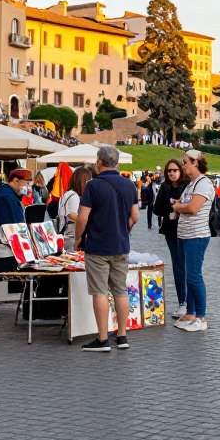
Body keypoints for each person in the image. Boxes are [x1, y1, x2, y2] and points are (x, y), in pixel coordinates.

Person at [76, 145, 141, 352]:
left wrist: (78, 238)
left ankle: (102, 339)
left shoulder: (93, 186)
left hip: (98, 246)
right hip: (121, 245)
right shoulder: (129, 185)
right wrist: (124, 228)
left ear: (99, 162)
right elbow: (135, 216)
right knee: (120, 291)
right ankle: (122, 336)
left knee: (100, 292)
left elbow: (83, 217)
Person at [171, 150, 214, 332]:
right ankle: (191, 311)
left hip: (197, 235)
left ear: (196, 163)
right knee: (190, 275)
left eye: (186, 162)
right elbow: (182, 203)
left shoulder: (203, 184)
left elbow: (192, 207)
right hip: (186, 234)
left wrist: (179, 207)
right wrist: (180, 206)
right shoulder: (191, 185)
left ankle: (201, 316)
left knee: (195, 276)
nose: (183, 166)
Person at [153, 159, 188, 318]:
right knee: (178, 265)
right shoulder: (165, 187)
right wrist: (171, 206)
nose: (172, 173)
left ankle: (190, 303)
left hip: (187, 230)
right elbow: (156, 209)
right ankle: (182, 302)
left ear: (180, 171)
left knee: (188, 267)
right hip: (171, 230)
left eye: (175, 170)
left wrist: (179, 206)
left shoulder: (186, 186)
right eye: (169, 171)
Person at [0, 168, 31, 273]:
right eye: (26, 183)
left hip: (3, 249)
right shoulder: (7, 198)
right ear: (16, 181)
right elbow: (13, 227)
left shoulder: (6, 193)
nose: (28, 186)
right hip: (4, 251)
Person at [57, 166, 94, 250]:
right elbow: (71, 214)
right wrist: (84, 221)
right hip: (71, 235)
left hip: (66, 233)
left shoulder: (68, 194)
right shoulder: (74, 196)